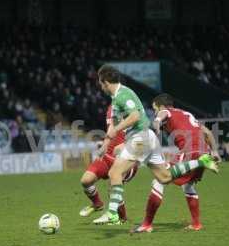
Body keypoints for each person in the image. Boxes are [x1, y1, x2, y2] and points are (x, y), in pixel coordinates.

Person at [93, 65, 219, 225]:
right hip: (146, 138)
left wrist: (117, 129)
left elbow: (135, 115)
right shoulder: (117, 98)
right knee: (164, 177)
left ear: (105, 82)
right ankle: (201, 161)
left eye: (100, 82)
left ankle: (112, 213)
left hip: (140, 138)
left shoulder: (123, 95)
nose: (100, 86)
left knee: (114, 173)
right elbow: (114, 125)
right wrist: (106, 144)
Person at [132, 94, 221, 233]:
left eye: (154, 108)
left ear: (160, 105)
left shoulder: (166, 111)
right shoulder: (186, 114)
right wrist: (215, 153)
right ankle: (196, 224)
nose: (155, 111)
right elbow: (208, 133)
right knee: (187, 185)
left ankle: (146, 224)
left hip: (189, 151)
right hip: (204, 151)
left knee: (159, 180)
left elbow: (160, 116)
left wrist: (155, 124)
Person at [79, 105, 138, 223]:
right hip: (106, 157)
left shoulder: (132, 111)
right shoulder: (111, 108)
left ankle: (122, 219)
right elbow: (111, 130)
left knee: (113, 188)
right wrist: (104, 144)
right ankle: (97, 204)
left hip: (125, 159)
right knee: (85, 180)